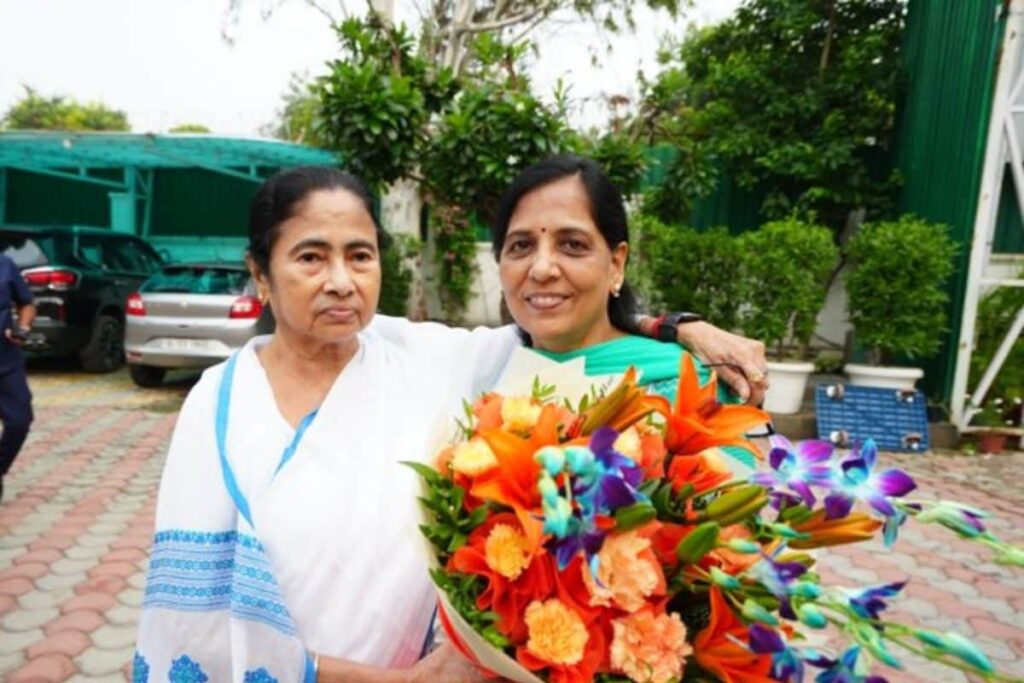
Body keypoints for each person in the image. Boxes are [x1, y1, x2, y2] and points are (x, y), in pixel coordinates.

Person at [134, 166, 766, 682]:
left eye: (360, 255)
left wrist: (675, 327)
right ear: (260, 274)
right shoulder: (220, 402)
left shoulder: (425, 360)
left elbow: (564, 326)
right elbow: (191, 621)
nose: (341, 282)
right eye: (310, 257)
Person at [491, 155, 763, 470]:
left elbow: (729, 498)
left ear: (616, 264)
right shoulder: (488, 367)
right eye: (521, 245)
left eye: (573, 245)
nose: (541, 269)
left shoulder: (684, 385)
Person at [0, 248, 36, 503]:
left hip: (6, 361)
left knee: (19, 421)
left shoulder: (5, 265)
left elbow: (27, 303)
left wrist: (22, 328)